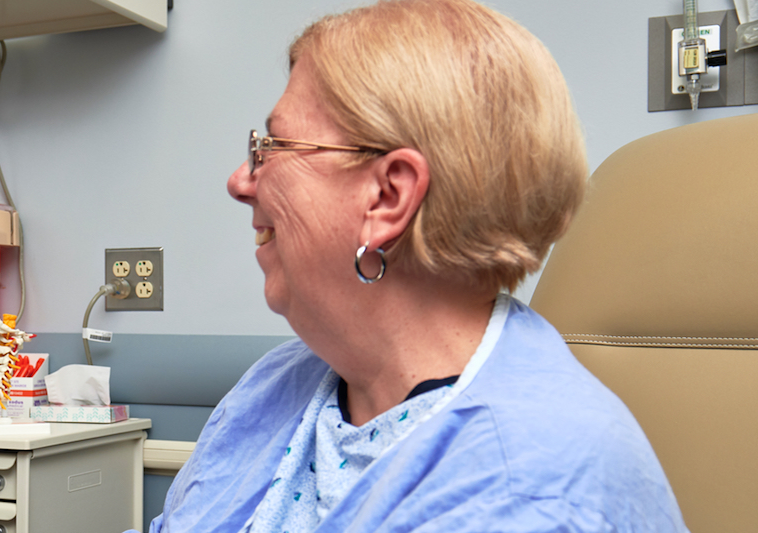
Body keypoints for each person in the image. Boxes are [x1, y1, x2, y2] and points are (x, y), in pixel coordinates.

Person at [146, 1, 687, 531]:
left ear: (388, 196)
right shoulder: (279, 385)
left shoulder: (529, 494)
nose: (240, 181)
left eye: (272, 147)